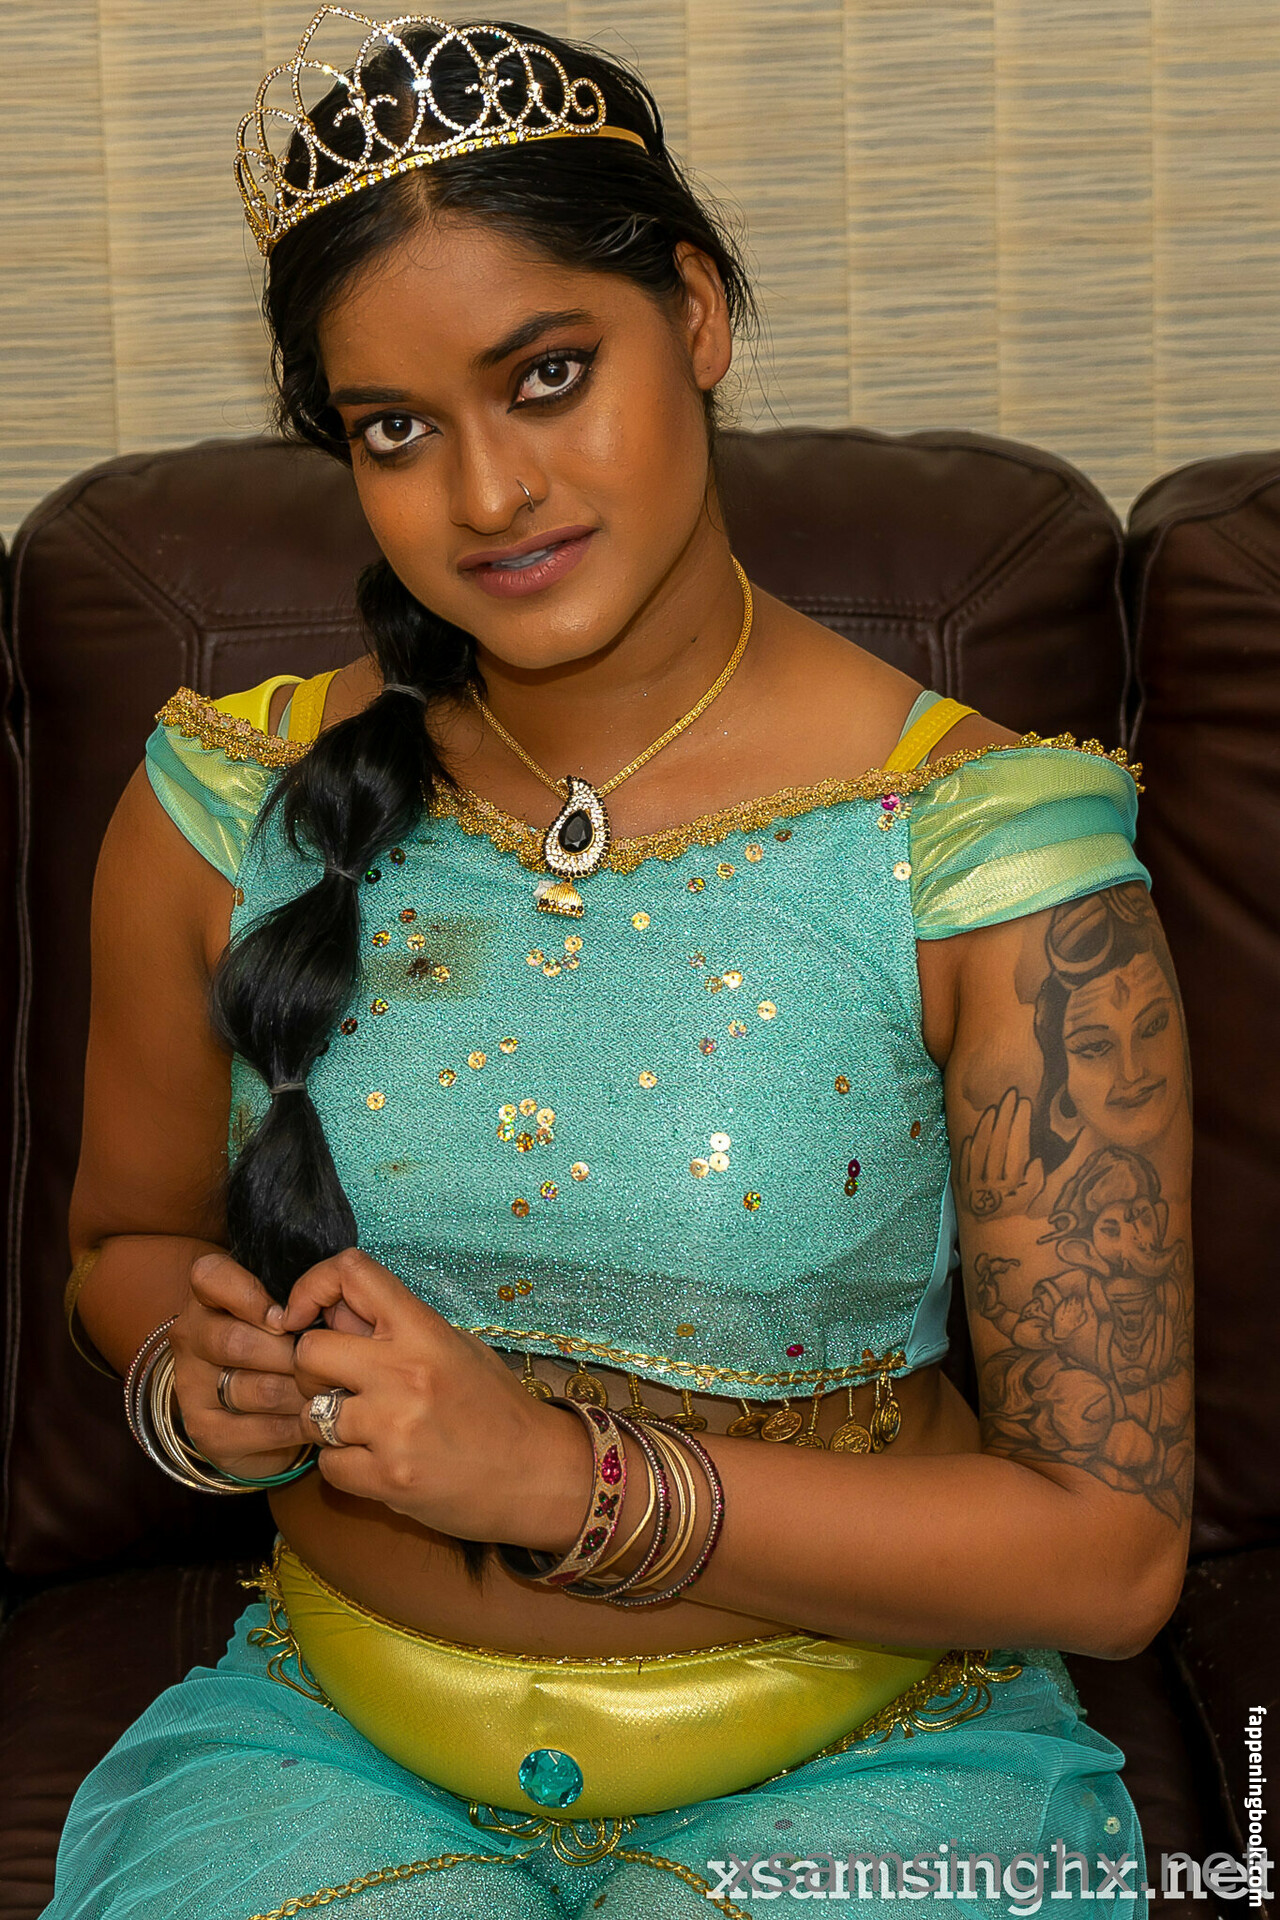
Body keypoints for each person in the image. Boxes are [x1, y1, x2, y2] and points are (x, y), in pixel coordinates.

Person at [47, 12, 1192, 1917]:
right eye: (397, 430)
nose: (489, 495)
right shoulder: (219, 810)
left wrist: (562, 1485)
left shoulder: (987, 856)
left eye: (550, 376)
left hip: (871, 1769)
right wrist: (200, 1369)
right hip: (329, 1751)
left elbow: (1112, 1552)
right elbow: (122, 1251)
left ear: (699, 314)